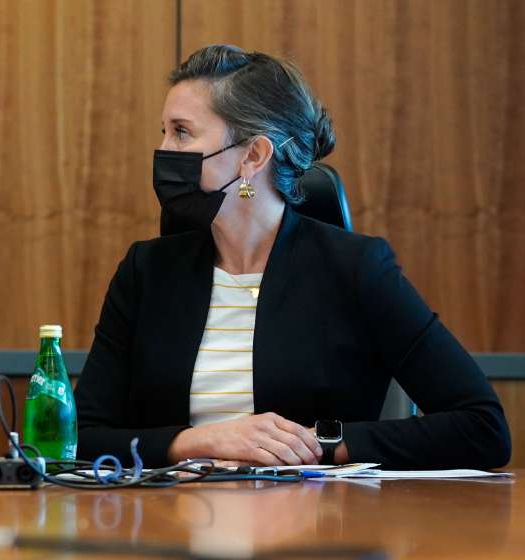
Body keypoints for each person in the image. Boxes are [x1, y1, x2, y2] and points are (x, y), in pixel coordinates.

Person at [74, 45, 510, 470]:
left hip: (315, 525)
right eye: (164, 131)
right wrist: (196, 441)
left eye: (182, 132)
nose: (165, 149)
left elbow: (482, 427)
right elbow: (80, 435)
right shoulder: (146, 271)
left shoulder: (356, 269)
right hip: (169, 525)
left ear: (253, 156)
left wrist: (321, 445)